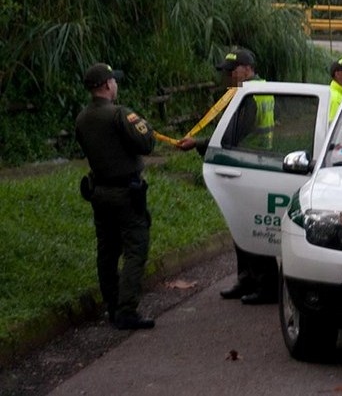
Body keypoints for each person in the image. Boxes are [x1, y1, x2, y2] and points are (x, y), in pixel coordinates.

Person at [176, 48, 279, 305]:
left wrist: (199, 143)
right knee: (241, 225)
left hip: (252, 165)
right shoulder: (255, 89)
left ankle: (266, 285)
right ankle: (247, 280)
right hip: (250, 163)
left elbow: (233, 135)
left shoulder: (250, 94)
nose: (230, 75)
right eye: (227, 71)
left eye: (233, 70)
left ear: (248, 68)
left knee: (254, 228)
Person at [75, 63, 156, 330]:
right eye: (114, 81)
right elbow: (146, 143)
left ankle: (112, 305)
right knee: (136, 247)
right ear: (108, 85)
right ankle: (126, 310)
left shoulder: (82, 118)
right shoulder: (119, 114)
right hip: (125, 193)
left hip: (99, 192)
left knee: (107, 250)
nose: (116, 85)